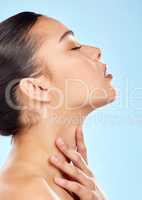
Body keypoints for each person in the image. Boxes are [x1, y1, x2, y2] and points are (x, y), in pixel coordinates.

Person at [0, 11, 116, 199]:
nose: (96, 50)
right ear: (37, 88)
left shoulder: (65, 188)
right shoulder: (26, 193)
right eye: (74, 47)